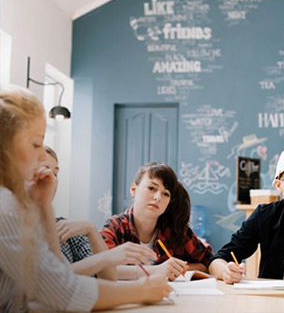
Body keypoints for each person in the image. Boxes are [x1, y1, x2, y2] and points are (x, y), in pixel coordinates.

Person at [0, 88, 171, 312]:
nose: (41, 155)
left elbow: (57, 272)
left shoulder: (18, 204)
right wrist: (142, 290)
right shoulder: (5, 205)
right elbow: (60, 289)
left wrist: (43, 205)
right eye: (35, 144)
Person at [209, 146, 284, 285]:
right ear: (278, 185)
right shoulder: (265, 215)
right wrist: (225, 271)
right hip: (273, 301)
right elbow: (217, 260)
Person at [43, 145, 157, 278]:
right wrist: (108, 257)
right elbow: (49, 278)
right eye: (45, 170)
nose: (53, 179)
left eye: (55, 173)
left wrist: (91, 230)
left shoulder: (67, 229)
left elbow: (107, 278)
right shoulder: (18, 228)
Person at [100, 162, 215, 281]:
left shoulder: (174, 230)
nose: (158, 197)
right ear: (133, 189)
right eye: (151, 188)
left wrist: (176, 269)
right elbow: (101, 269)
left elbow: (209, 261)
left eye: (166, 194)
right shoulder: (114, 227)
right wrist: (157, 270)